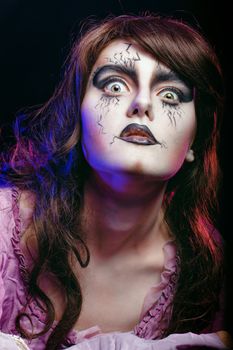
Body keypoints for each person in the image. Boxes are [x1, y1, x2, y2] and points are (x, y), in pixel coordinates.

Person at [0, 13, 231, 350]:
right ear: (78, 114)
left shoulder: (209, 271)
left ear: (195, 141)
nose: (141, 104)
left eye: (171, 95)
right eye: (115, 86)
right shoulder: (5, 226)